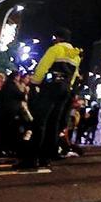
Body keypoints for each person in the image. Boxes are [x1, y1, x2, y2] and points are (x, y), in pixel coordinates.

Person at [17, 28, 81, 169]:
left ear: (59, 38)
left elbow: (42, 67)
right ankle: (46, 157)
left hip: (51, 88)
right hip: (64, 90)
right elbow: (74, 75)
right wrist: (68, 88)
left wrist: (35, 82)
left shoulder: (56, 49)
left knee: (40, 122)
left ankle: (31, 159)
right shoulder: (75, 55)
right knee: (54, 123)